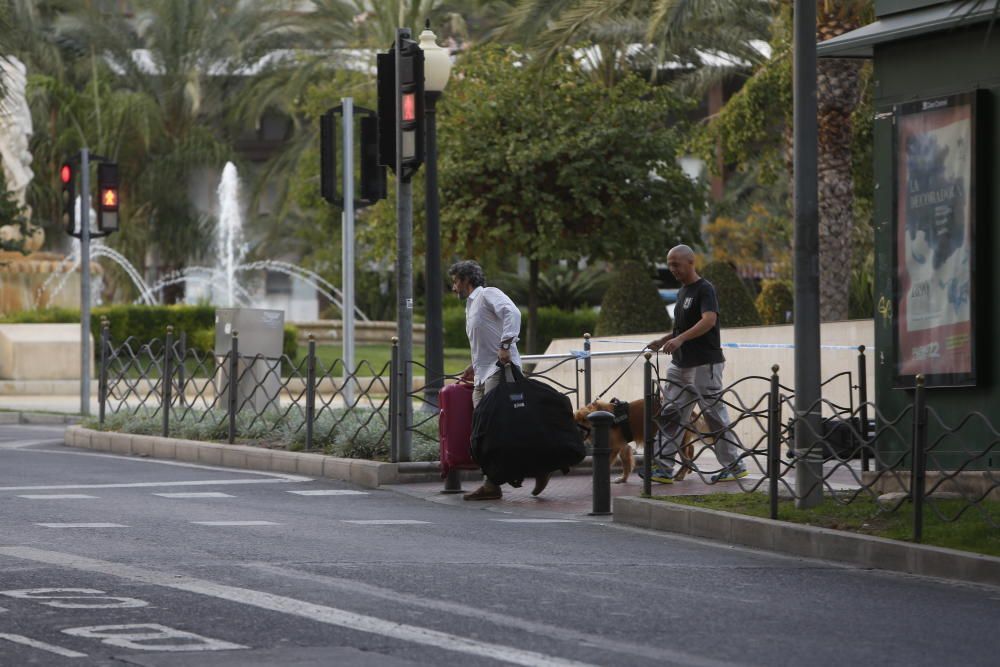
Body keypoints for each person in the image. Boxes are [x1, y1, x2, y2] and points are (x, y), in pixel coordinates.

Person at [448, 260, 551, 500]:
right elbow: (484, 339)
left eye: (455, 281)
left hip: (500, 371)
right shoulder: (471, 306)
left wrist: (506, 344)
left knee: (496, 428)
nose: (454, 287)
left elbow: (512, 313)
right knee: (486, 431)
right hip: (483, 375)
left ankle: (519, 474)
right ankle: (497, 482)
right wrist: (473, 365)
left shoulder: (487, 295)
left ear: (466, 280)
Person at [645, 245, 748, 484]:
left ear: (691, 262)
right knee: (671, 414)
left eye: (676, 264)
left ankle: (735, 466)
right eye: (669, 264)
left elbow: (709, 320)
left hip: (705, 364)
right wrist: (664, 339)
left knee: (714, 415)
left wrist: (680, 339)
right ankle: (663, 468)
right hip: (680, 365)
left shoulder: (705, 289)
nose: (672, 269)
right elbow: (679, 329)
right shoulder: (682, 292)